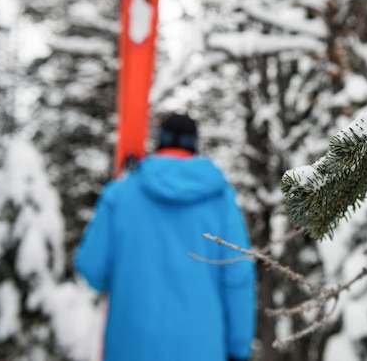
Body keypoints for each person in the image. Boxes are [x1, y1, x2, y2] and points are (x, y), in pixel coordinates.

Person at [75, 113, 256, 361]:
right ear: (194, 144)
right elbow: (238, 277)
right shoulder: (221, 200)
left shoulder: (120, 194)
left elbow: (91, 268)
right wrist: (239, 349)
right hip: (202, 349)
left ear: (160, 141)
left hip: (131, 347)